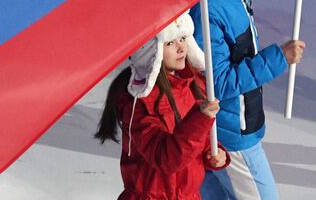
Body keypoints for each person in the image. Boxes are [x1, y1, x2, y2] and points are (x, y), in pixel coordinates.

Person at [190, 0, 316, 199]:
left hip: (235, 125)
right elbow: (218, 83)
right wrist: (278, 58)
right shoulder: (205, 12)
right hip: (229, 133)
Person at [95, 12, 230, 200]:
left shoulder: (192, 85)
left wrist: (212, 152)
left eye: (183, 38)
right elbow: (167, 158)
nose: (181, 47)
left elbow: (198, 138)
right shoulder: (139, 101)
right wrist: (200, 118)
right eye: (170, 43)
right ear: (150, 51)